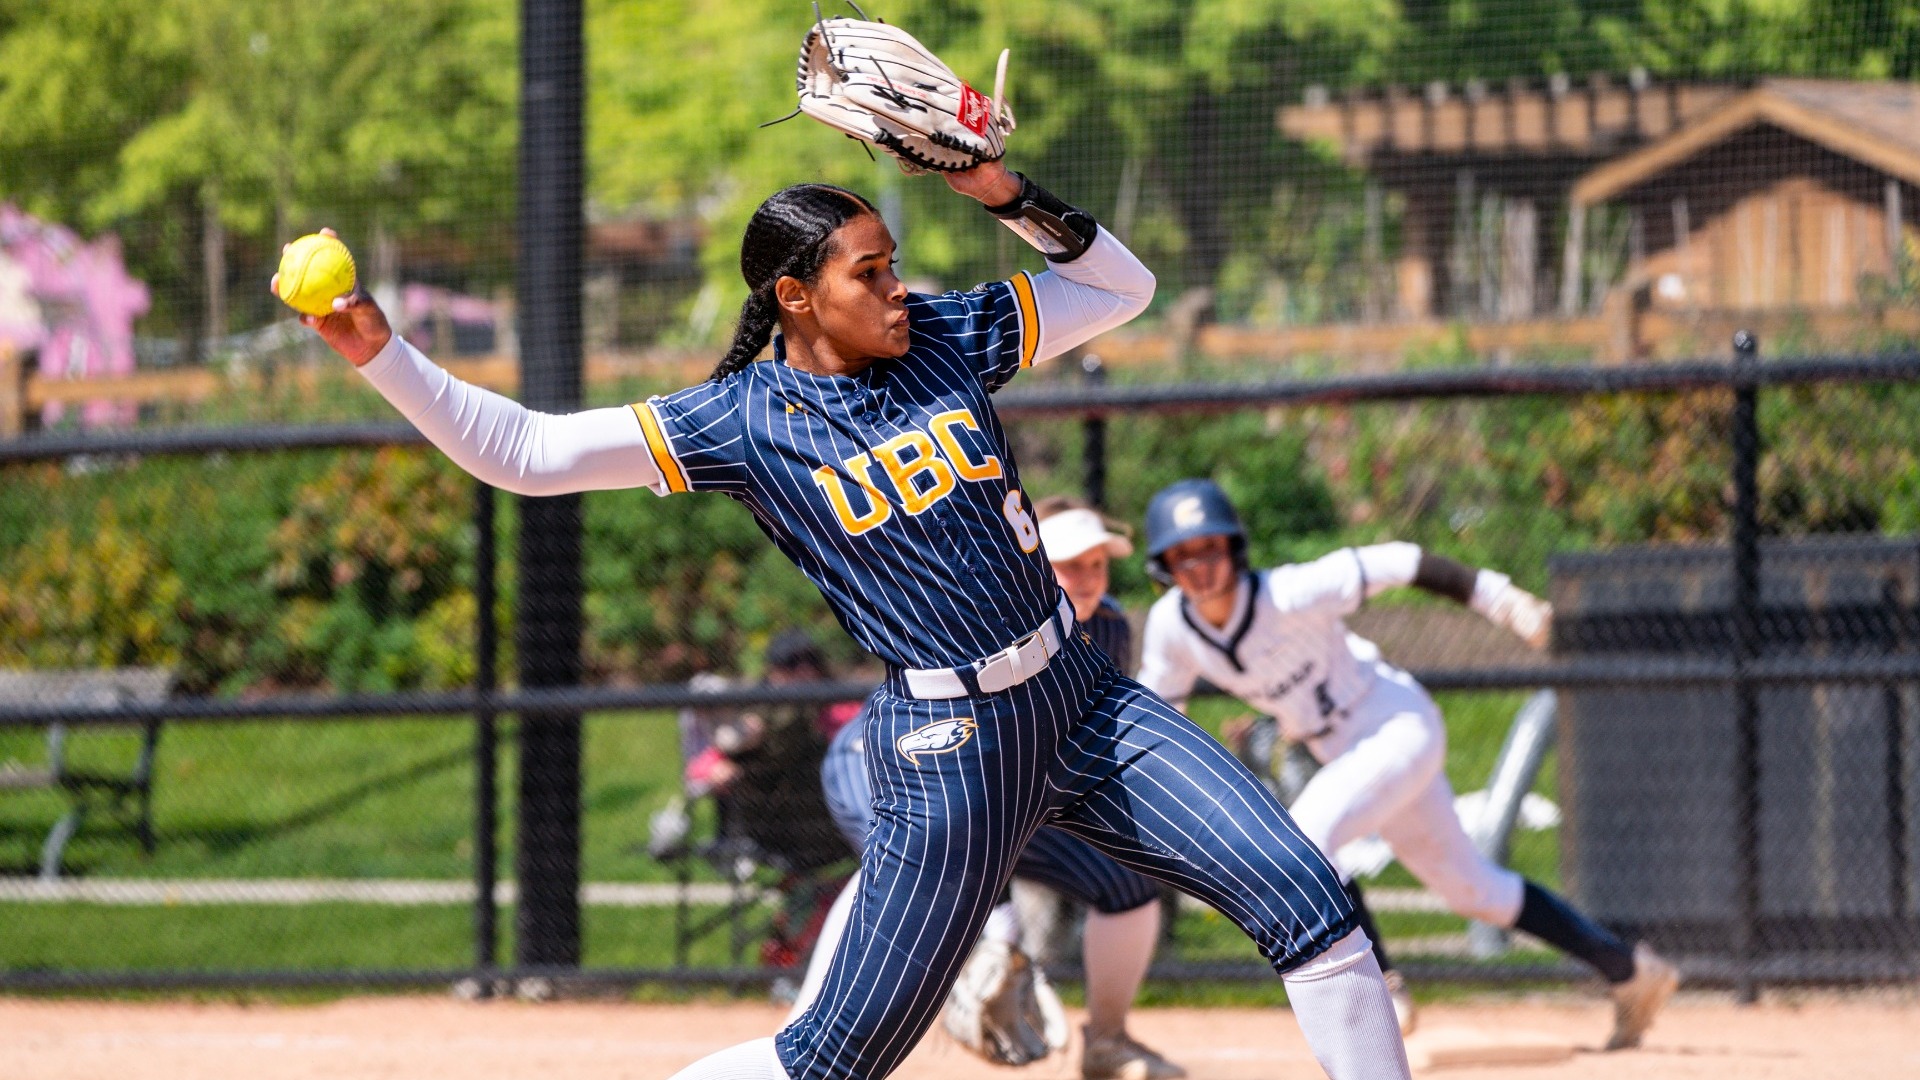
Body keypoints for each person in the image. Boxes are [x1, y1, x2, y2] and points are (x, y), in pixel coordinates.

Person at [282, 156, 1409, 1080]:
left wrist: (1002, 189)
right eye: (869, 274)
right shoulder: (743, 419)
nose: (896, 290)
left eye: (896, 265)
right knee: (830, 1059)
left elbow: (1123, 290)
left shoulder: (944, 339)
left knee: (1308, 897)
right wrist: (387, 358)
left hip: (1083, 701)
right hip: (951, 753)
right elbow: (523, 454)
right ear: (795, 296)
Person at [1135, 478, 1680, 1050]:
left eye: (1210, 548)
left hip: (1395, 726)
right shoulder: (1174, 626)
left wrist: (1502, 601)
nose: (1199, 565)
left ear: (1235, 549)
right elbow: (1157, 707)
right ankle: (1632, 972)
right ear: (1163, 564)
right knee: (1474, 891)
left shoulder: (1287, 593)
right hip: (1339, 751)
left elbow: (1398, 560)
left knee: (1306, 839)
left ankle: (1385, 991)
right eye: (1182, 554)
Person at [788, 497, 1181, 1079]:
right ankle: (802, 1052)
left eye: (1097, 563)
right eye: (1070, 563)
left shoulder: (1108, 626)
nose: (1088, 578)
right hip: (885, 761)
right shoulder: (988, 610)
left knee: (1126, 882)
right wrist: (992, 930)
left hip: (999, 785)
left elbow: (1071, 739)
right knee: (908, 865)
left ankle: (1108, 1041)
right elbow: (965, 754)